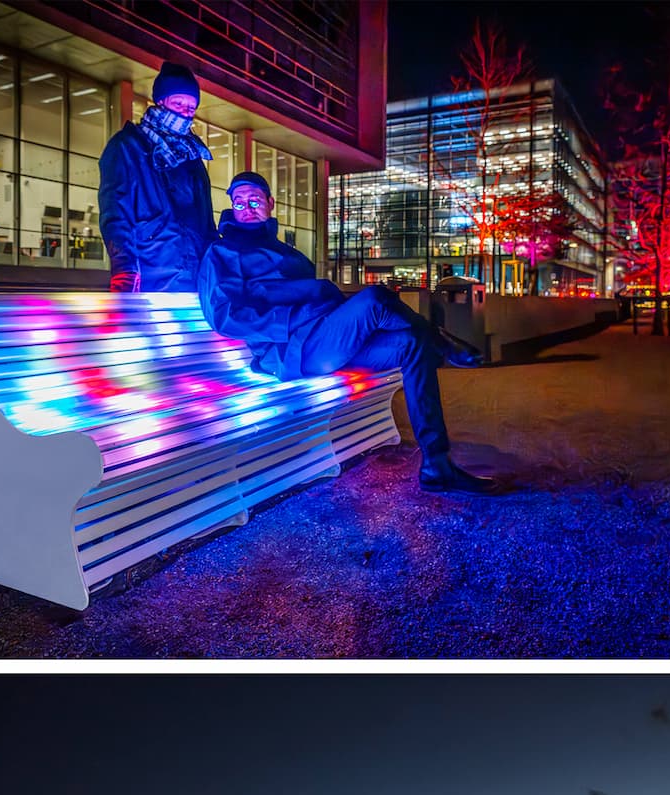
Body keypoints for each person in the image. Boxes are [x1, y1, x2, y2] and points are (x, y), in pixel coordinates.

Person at [195, 171, 510, 496]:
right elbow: (225, 316)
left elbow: (319, 301)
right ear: (231, 206)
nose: (247, 208)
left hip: (325, 337)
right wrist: (289, 319)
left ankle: (437, 464)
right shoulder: (221, 254)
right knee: (374, 298)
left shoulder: (289, 254)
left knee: (411, 344)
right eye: (239, 202)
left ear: (270, 204)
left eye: (255, 201)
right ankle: (440, 339)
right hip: (292, 349)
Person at [98, 61, 215, 293]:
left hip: (194, 275)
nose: (185, 112)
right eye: (179, 103)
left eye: (191, 107)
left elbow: (206, 222)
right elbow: (115, 211)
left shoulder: (193, 156)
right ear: (161, 101)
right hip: (150, 273)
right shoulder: (127, 147)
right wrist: (124, 267)